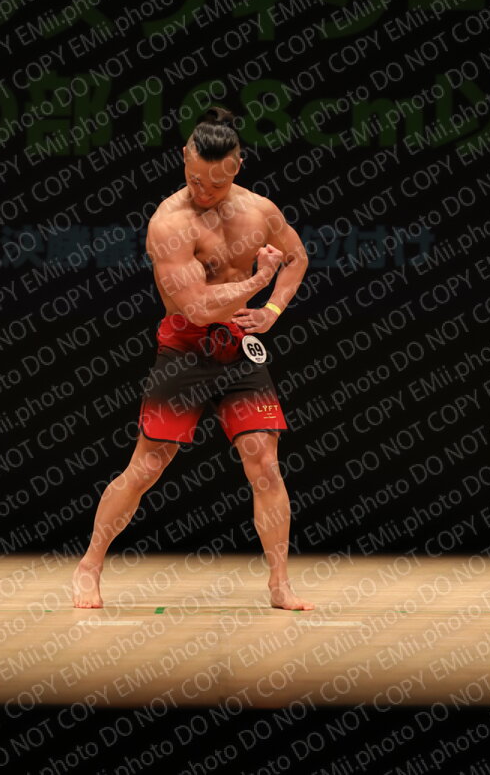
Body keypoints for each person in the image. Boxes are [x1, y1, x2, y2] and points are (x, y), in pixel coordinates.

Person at [73, 107, 314, 610]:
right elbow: (197, 308)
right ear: (184, 157)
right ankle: (90, 564)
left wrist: (271, 309)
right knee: (146, 467)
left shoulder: (260, 211)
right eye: (195, 180)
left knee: (265, 462)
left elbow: (297, 257)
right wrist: (258, 281)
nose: (204, 191)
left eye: (216, 184)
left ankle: (280, 583)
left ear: (237, 166)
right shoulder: (169, 223)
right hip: (185, 347)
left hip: (238, 350)